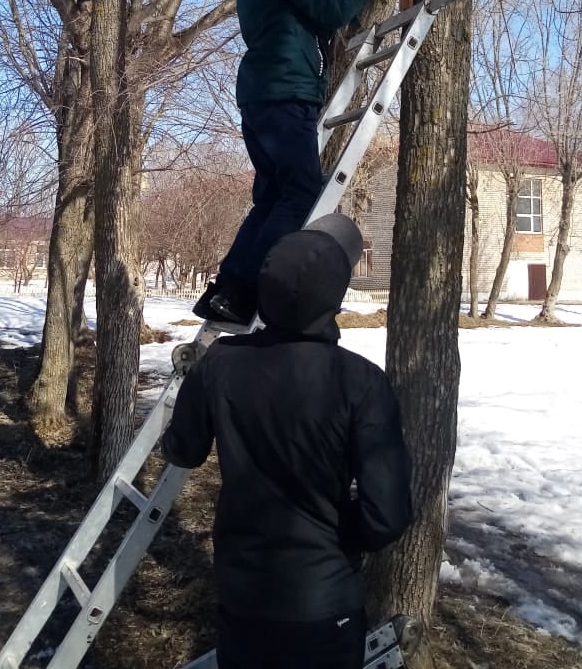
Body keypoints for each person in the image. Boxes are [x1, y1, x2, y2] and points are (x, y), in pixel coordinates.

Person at [163, 213, 412, 669]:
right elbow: (386, 516)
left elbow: (183, 450)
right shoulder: (361, 381)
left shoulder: (219, 363)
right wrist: (340, 535)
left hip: (243, 596)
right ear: (334, 298)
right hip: (323, 603)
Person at [194, 0, 374, 324]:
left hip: (261, 94)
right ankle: (247, 290)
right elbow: (328, 13)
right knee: (301, 194)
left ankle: (227, 290)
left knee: (272, 197)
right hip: (284, 91)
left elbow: (309, 12)